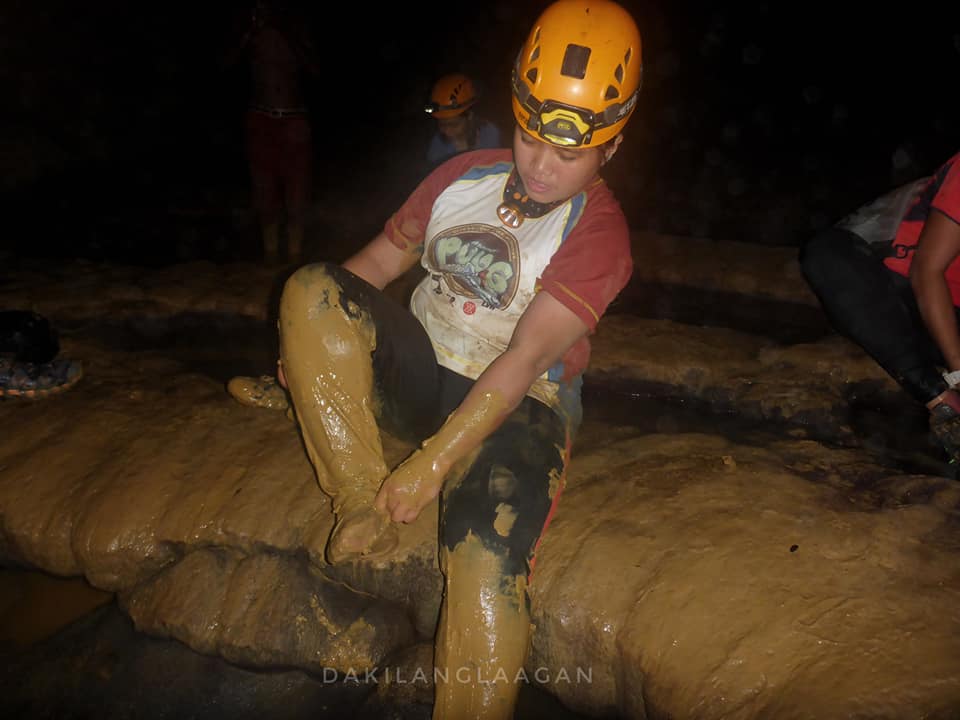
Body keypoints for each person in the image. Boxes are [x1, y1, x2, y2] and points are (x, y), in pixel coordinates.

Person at [233, 2, 643, 716]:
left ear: (611, 146)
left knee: (486, 558)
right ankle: (357, 500)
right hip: (423, 370)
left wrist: (430, 466)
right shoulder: (462, 173)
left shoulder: (601, 233)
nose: (542, 166)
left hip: (522, 403)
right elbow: (377, 263)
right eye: (528, 137)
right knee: (307, 286)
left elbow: (521, 361)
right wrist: (310, 344)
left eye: (569, 153)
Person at [800, 150, 960, 464]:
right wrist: (958, 373)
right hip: (901, 296)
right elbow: (926, 271)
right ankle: (940, 398)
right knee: (827, 256)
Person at [220, 0, 321, 265]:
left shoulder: (295, 25)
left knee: (298, 194)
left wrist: (285, 30)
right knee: (264, 193)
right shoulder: (249, 26)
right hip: (260, 118)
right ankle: (270, 256)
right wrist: (251, 31)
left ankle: (295, 256)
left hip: (294, 119)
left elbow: (315, 70)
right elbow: (225, 64)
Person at [424, 73, 502, 167]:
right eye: (442, 124)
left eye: (454, 124)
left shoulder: (489, 133)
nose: (447, 131)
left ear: (469, 116)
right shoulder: (438, 145)